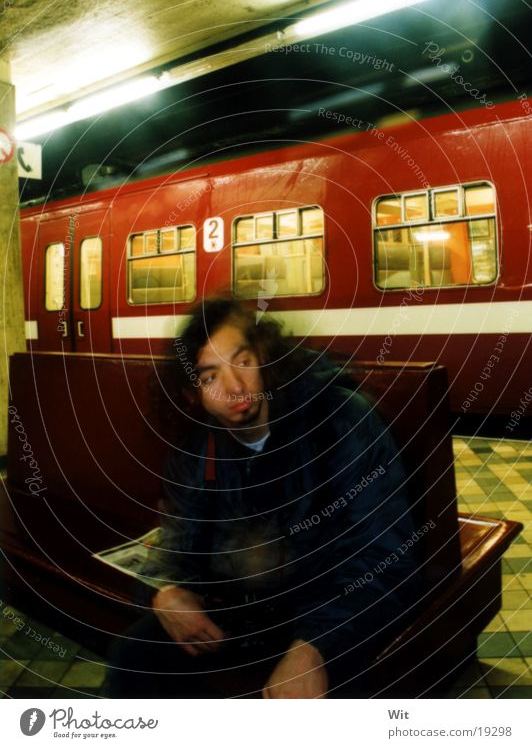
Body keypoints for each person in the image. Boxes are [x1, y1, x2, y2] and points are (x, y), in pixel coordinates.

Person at [106, 297, 421, 698]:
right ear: (193, 394)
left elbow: (386, 557)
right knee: (133, 659)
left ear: (265, 357)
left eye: (242, 361)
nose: (234, 387)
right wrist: (164, 591)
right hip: (240, 616)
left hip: (331, 612)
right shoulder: (198, 450)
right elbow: (177, 546)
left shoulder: (340, 420)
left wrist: (316, 647)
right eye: (210, 377)